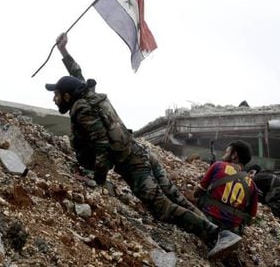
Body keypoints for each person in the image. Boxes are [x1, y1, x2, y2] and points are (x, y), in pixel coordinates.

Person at [45, 33, 243, 260]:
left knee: (162, 208)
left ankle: (216, 234)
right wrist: (63, 52)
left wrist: (97, 180)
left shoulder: (81, 108)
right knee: (176, 198)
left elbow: (103, 147)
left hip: (134, 165)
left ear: (67, 96)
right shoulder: (90, 95)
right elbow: (77, 76)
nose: (54, 99)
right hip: (142, 153)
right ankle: (224, 236)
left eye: (56, 95)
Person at [194, 141, 259, 234]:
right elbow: (251, 219)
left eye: (227, 152)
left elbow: (197, 192)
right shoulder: (252, 184)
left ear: (234, 155)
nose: (224, 155)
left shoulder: (218, 165)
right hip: (232, 230)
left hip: (209, 219)